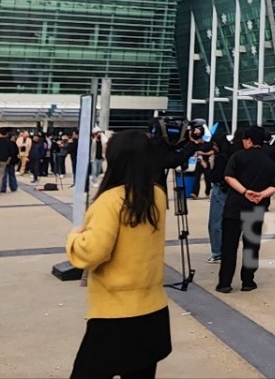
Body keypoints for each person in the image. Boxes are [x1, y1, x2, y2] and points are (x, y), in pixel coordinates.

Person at [66, 129, 173, 379]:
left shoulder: (110, 201)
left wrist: (73, 237)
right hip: (152, 308)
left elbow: (91, 253)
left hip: (115, 313)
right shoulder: (156, 194)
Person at [216, 126, 275, 294]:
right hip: (256, 207)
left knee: (229, 245)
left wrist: (245, 191)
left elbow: (228, 177)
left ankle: (224, 282)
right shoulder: (268, 160)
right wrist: (260, 195)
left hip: (234, 206)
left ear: (249, 140)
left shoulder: (237, 156)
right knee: (251, 245)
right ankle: (248, 281)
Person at [204, 128, 235, 265]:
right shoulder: (231, 155)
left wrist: (206, 166)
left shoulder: (220, 158)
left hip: (219, 189)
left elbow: (213, 176)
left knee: (215, 223)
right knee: (226, 222)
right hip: (230, 190)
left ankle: (217, 252)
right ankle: (224, 250)